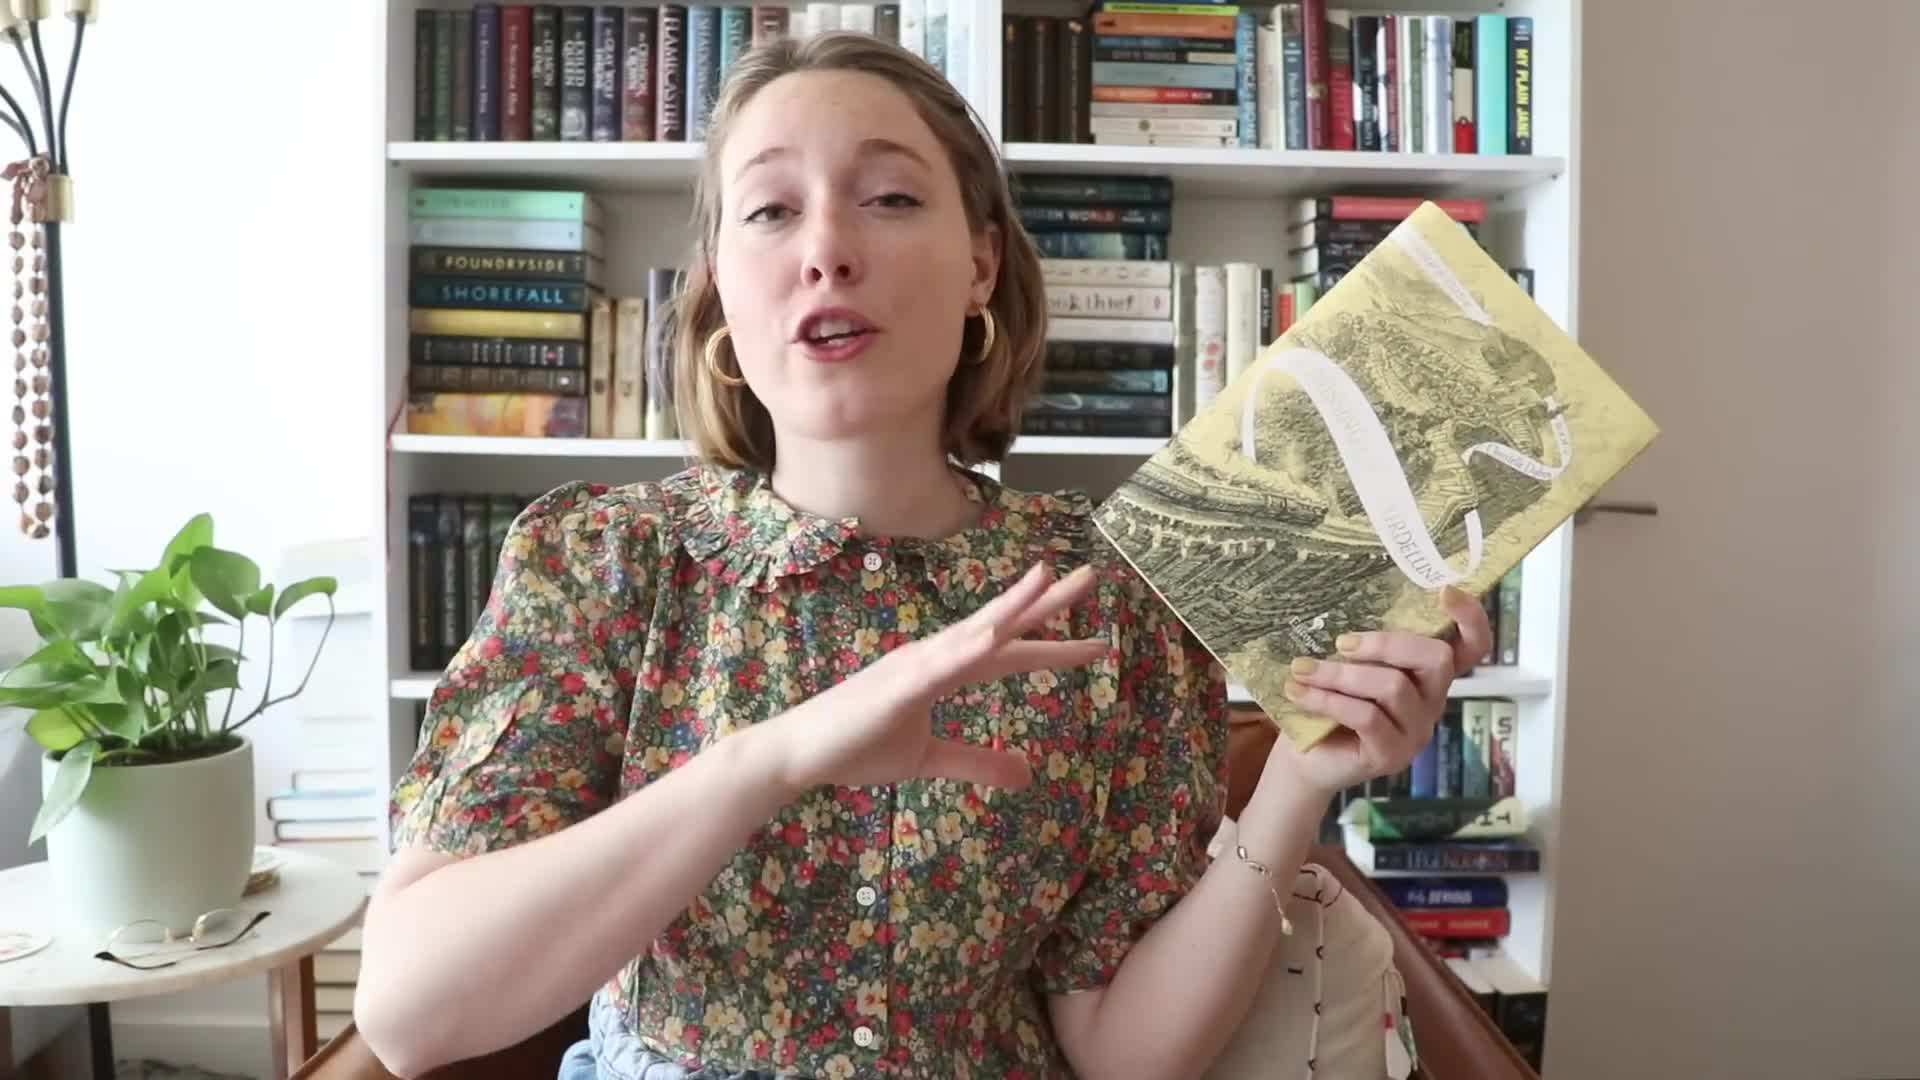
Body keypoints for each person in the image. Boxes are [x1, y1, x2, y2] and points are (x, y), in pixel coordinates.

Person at [353, 30, 1493, 1080]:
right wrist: (773, 760)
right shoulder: (603, 562)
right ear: (717, 289)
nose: (829, 251)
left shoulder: (1117, 594)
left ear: (982, 267)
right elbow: (410, 1015)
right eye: (769, 213)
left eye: (891, 197)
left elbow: (1125, 1055)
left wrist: (1300, 774)